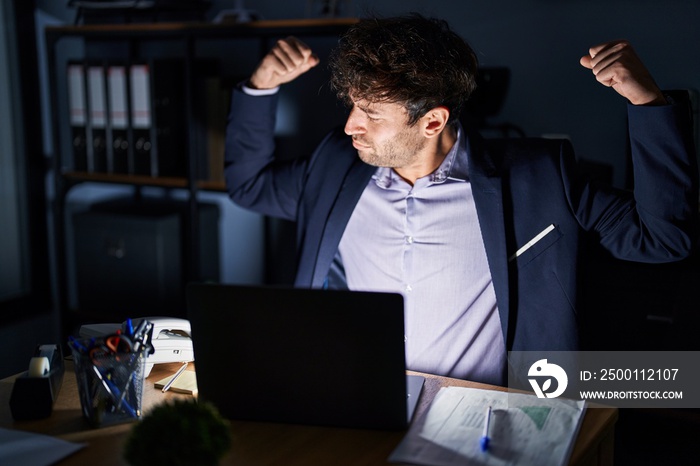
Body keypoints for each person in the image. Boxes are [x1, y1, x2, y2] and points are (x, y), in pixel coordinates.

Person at [224, 14, 698, 385]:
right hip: (357, 404)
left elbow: (664, 239)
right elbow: (250, 186)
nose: (350, 126)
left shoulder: (538, 179)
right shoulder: (336, 163)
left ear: (432, 121)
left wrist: (648, 106)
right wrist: (258, 88)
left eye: (370, 114)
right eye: (351, 106)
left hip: (489, 419)